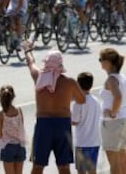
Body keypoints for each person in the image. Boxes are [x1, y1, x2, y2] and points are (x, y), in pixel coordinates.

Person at [22, 42, 85, 174]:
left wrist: (28, 50)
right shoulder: (69, 82)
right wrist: (67, 97)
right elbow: (81, 99)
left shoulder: (38, 76)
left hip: (43, 125)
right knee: (64, 167)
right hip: (63, 125)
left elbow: (30, 62)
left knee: (38, 166)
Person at [99, 48, 126, 174]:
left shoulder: (111, 79)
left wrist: (112, 113)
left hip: (113, 124)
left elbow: (118, 96)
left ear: (109, 62)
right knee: (122, 162)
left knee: (114, 163)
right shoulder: (122, 77)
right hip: (123, 121)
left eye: (101, 59)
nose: (100, 62)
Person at [71, 72, 102, 174]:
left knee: (81, 170)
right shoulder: (96, 101)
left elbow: (74, 121)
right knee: (92, 170)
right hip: (95, 141)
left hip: (82, 142)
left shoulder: (78, 102)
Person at [0, 85, 26, 174]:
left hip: (8, 147)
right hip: (20, 146)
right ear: (13, 97)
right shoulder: (19, 110)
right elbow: (20, 128)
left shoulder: (0, 115)